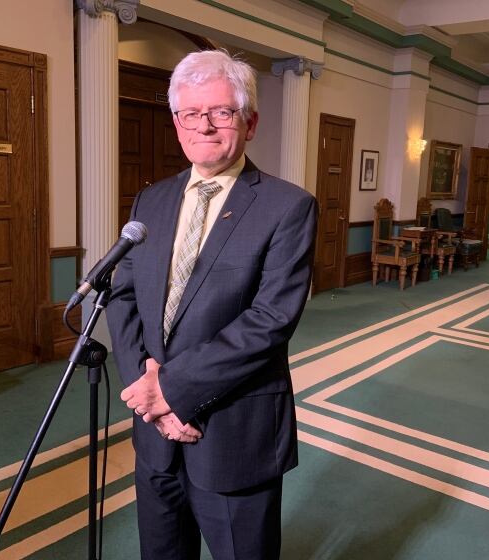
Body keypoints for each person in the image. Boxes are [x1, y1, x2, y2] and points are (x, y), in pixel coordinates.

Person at [107, 49, 317, 560]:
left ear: (250, 122)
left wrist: (173, 391)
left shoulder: (287, 206)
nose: (203, 126)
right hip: (154, 433)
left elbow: (270, 320)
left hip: (232, 435)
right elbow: (122, 295)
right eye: (189, 113)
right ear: (176, 122)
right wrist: (147, 392)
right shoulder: (151, 200)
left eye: (221, 112)